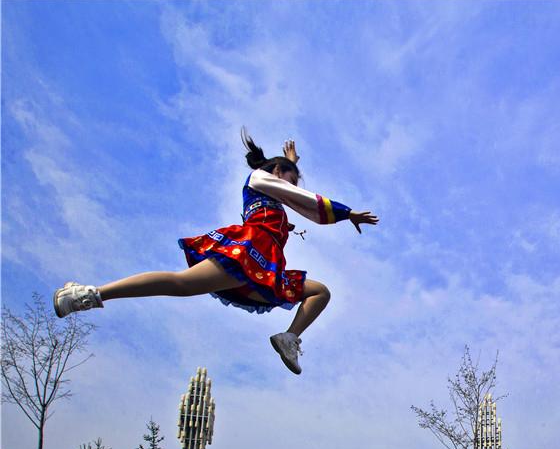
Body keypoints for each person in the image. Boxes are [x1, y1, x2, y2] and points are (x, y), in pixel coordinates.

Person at [52, 131, 378, 375]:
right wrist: (347, 213)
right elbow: (300, 197)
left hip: (265, 267)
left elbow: (287, 190)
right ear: (277, 172)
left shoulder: (273, 191)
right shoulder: (260, 178)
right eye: (292, 178)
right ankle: (89, 294)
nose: (295, 186)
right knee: (181, 285)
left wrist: (291, 165)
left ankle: (289, 338)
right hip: (248, 255)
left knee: (320, 292)